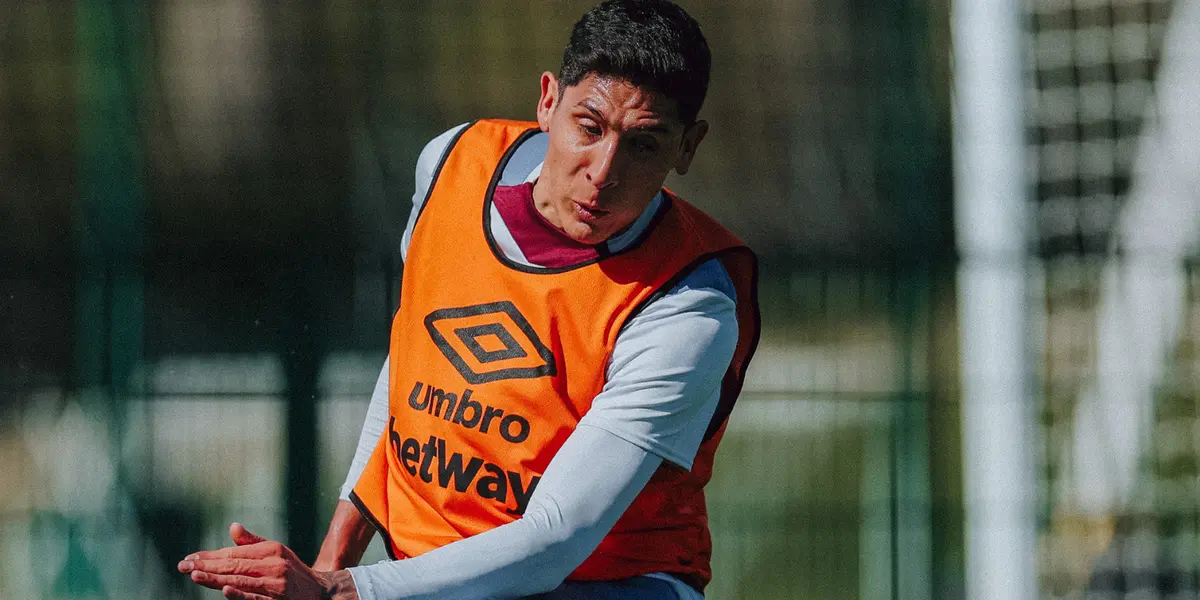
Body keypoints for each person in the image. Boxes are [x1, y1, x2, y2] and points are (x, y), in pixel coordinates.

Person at [176, 1, 760, 598]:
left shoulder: (687, 305)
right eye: (589, 127)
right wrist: (333, 556)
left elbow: (559, 536)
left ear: (687, 148)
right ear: (547, 101)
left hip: (609, 582)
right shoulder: (451, 165)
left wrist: (341, 590)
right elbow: (411, 370)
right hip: (431, 570)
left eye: (644, 146)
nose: (604, 170)